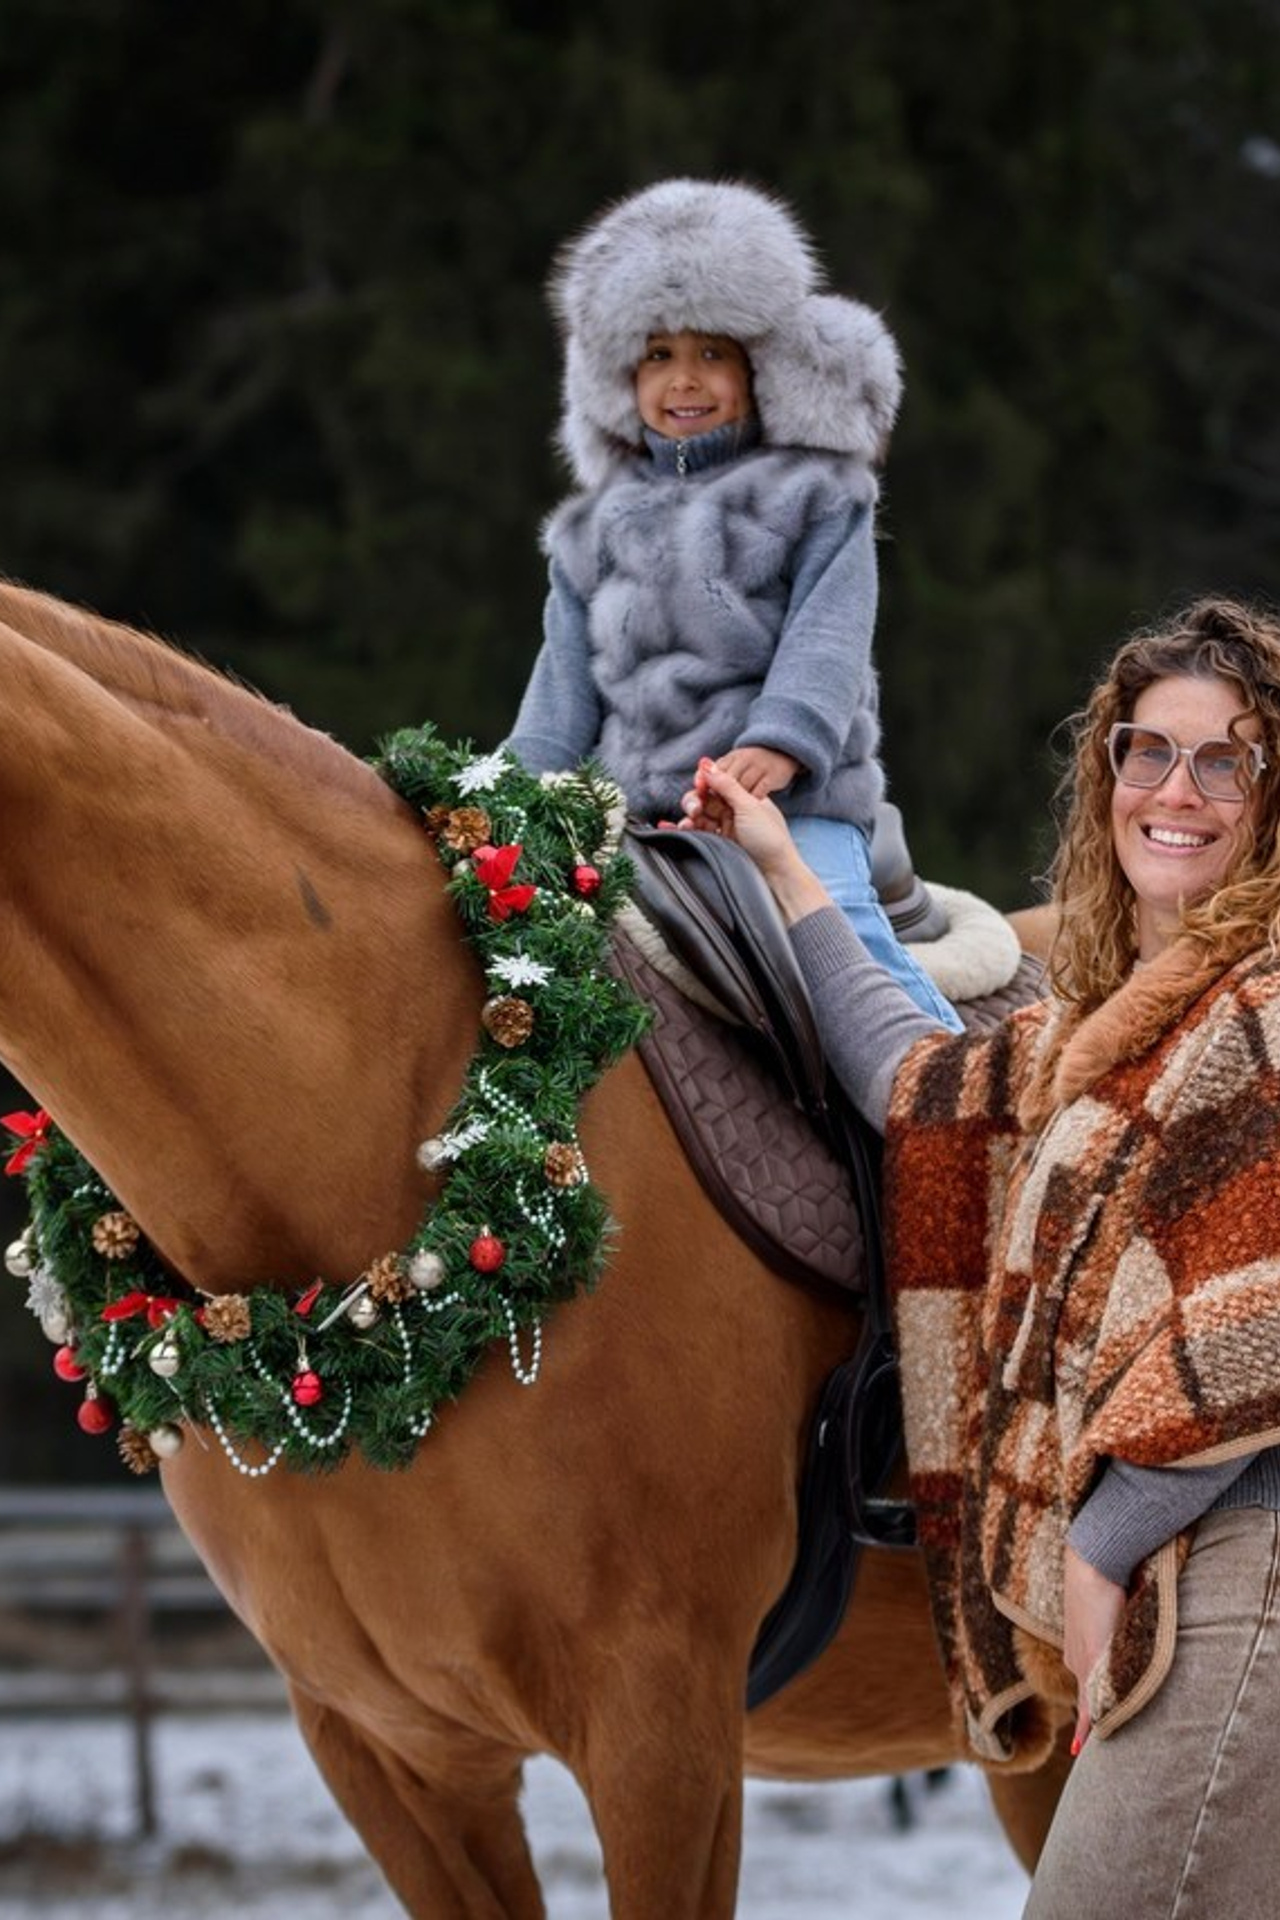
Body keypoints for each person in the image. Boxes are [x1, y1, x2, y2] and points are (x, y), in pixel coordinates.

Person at [681, 596, 1280, 1917]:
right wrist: (787, 870)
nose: (1175, 790)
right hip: (1194, 1581)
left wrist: (1099, 1548)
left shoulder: (1267, 1010)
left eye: (1225, 758)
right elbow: (924, 1081)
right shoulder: (1105, 1040)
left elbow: (1252, 1328)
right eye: (1147, 750)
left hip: (1247, 1571)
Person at [505, 175, 961, 1030]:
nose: (685, 380)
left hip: (789, 803)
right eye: (658, 355)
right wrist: (514, 791)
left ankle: (964, 1100)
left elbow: (828, 638)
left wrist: (781, 743)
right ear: (617, 374)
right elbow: (561, 684)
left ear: (760, 367)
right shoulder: (591, 527)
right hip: (634, 813)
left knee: (840, 948)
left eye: (712, 353)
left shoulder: (821, 494)